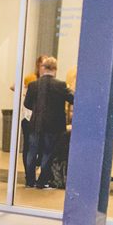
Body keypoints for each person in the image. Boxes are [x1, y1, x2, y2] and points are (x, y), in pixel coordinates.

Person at [23, 56, 74, 189]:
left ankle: (29, 180)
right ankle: (41, 181)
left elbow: (27, 104)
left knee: (32, 152)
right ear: (55, 70)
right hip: (53, 125)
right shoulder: (61, 85)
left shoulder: (33, 85)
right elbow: (73, 99)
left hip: (35, 123)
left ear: (43, 68)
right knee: (48, 152)